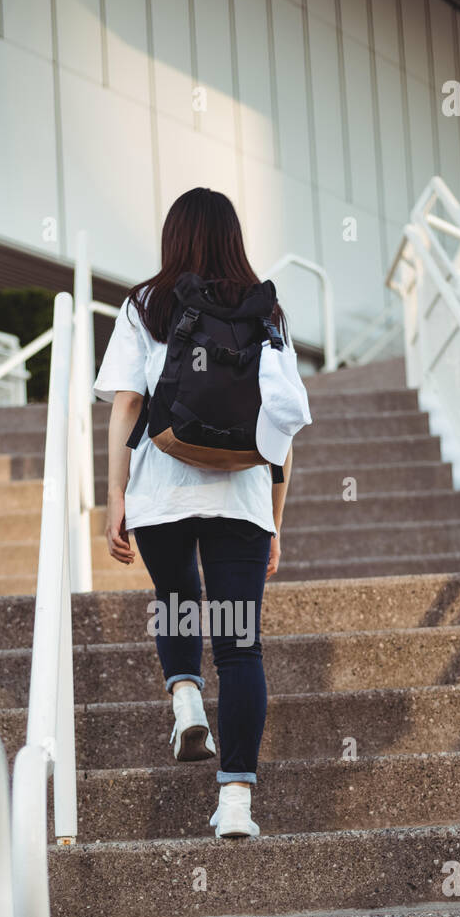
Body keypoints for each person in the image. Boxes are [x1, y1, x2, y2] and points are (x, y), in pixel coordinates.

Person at [93, 187, 310, 838]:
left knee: (177, 594)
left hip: (161, 485)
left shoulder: (144, 303)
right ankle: (236, 801)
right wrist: (275, 515)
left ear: (174, 237)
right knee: (241, 650)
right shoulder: (264, 309)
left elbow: (125, 407)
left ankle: (186, 699)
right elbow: (284, 420)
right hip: (242, 495)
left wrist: (115, 497)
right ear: (232, 237)